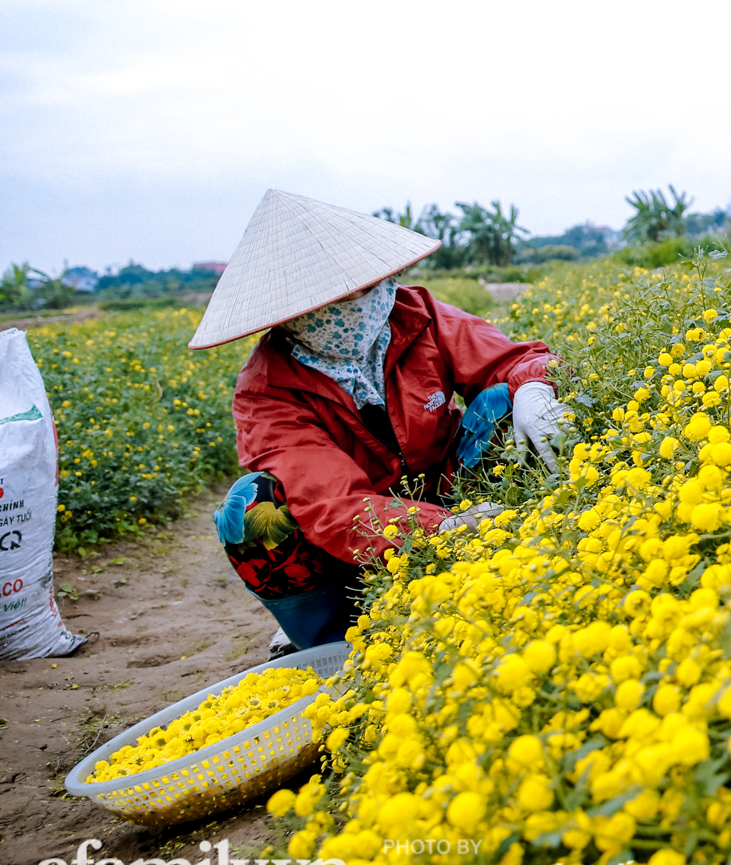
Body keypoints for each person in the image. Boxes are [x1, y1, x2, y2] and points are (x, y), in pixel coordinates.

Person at [188, 189, 572, 654]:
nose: (357, 302)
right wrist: (443, 530)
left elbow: (508, 360)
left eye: (366, 287)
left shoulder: (416, 314)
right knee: (249, 511)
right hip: (348, 541)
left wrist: (533, 386)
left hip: (453, 488)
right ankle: (335, 635)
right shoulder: (268, 389)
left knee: (507, 398)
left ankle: (523, 537)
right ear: (290, 315)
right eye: (334, 299)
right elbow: (332, 505)